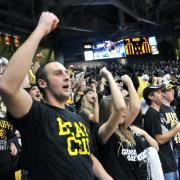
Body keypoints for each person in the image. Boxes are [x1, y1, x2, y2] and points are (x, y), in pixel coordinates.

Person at [0, 12, 112, 180]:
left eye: (66, 73)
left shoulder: (78, 119)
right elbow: (7, 86)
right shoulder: (36, 113)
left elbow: (86, 154)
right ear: (42, 83)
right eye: (59, 73)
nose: (67, 76)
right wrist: (40, 29)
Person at [143, 85, 180, 180]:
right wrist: (177, 128)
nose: (162, 94)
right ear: (151, 97)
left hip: (169, 160)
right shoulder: (151, 113)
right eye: (159, 92)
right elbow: (159, 140)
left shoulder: (158, 113)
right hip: (163, 163)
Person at [160, 83, 180, 178]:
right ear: (162, 94)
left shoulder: (171, 108)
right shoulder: (159, 109)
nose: (173, 92)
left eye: (173, 90)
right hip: (171, 150)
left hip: (177, 146)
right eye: (169, 90)